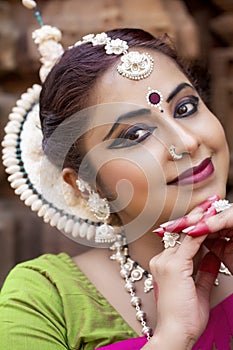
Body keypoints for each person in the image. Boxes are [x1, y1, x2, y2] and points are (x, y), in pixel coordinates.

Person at [1, 3, 233, 349]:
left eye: (185, 108)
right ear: (84, 183)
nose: (186, 141)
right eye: (136, 135)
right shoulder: (43, 298)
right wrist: (174, 336)